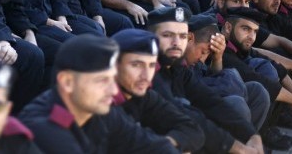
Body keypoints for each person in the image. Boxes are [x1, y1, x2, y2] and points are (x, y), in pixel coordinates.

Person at [19, 35, 180, 153]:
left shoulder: (98, 111)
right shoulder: (43, 129)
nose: (113, 90)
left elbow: (155, 146)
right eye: (102, 80)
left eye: (112, 79)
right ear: (67, 82)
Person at [148, 7, 264, 153]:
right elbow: (182, 113)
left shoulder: (176, 67)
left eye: (182, 36)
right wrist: (236, 147)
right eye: (167, 35)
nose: (177, 43)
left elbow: (210, 100)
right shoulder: (148, 70)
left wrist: (252, 134)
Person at [112, 29, 205, 153]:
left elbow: (193, 130)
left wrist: (169, 144)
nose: (145, 76)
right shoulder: (102, 104)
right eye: (136, 65)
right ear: (114, 66)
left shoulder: (144, 95)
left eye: (151, 65)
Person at [221, 7, 292, 150]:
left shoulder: (240, 46)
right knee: (259, 87)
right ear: (228, 27)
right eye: (245, 29)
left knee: (268, 67)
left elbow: (277, 67)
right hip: (217, 110)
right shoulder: (221, 48)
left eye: (254, 31)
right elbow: (255, 78)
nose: (251, 36)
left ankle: (260, 138)